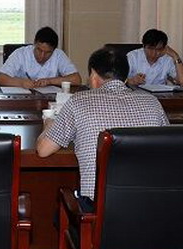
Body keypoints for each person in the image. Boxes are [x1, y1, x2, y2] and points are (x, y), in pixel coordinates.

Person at [36, 47, 169, 212]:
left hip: (98, 209)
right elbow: (168, 150)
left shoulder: (79, 101)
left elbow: (43, 150)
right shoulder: (152, 102)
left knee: (62, 207)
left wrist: (49, 123)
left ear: (93, 75)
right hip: (149, 206)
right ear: (125, 77)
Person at [0, 26, 83, 89]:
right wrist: (21, 82)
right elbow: (0, 79)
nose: (42, 56)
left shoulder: (59, 55)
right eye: (39, 50)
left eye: (48, 52)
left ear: (54, 50)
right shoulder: (20, 54)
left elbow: (76, 79)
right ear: (34, 43)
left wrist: (49, 81)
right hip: (22, 99)